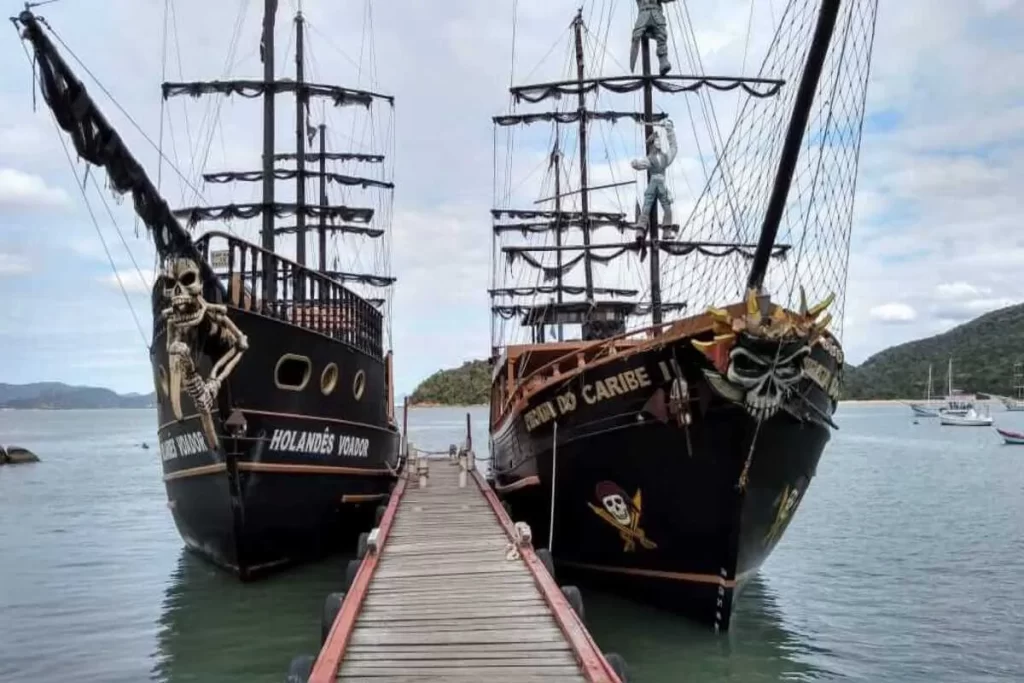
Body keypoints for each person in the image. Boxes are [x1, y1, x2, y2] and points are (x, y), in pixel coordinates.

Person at [630, 0, 672, 76]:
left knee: (661, 35)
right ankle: (632, 62)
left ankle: (663, 60)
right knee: (636, 36)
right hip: (643, 13)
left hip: (656, 13)